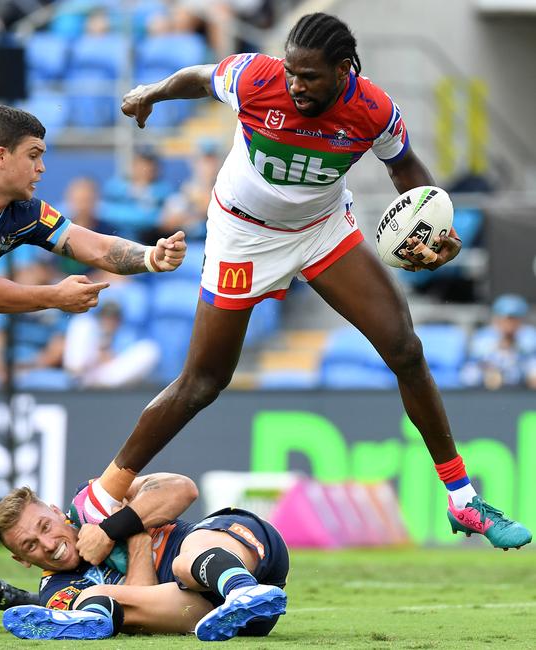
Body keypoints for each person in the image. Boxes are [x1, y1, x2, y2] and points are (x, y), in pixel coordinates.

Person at [92, 12, 532, 551]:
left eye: (309, 76)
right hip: (242, 235)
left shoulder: (373, 109)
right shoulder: (257, 77)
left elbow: (406, 168)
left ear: (344, 69)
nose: (295, 85)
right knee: (203, 382)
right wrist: (150, 94)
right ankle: (102, 495)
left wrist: (437, 223)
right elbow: (199, 76)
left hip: (321, 229)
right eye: (292, 73)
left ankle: (462, 500)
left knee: (406, 349)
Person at [0, 104, 187, 618]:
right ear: (0, 157)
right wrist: (54, 296)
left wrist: (149, 257)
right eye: (34, 155)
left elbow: (87, 242)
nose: (42, 167)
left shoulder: (20, 212)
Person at [0, 470, 288, 641]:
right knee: (96, 595)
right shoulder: (55, 591)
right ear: (22, 560)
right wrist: (137, 539)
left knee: (184, 563)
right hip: (217, 618)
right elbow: (146, 599)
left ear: (57, 512)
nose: (47, 543)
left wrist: (111, 528)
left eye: (45, 526)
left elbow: (182, 490)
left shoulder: (91, 504)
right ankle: (89, 621)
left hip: (239, 547)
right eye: (30, 546)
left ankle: (242, 589)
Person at [461, 294, 536, 390]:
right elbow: (475, 363)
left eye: (514, 318)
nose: (510, 323)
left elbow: (530, 363)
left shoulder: (530, 335)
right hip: (485, 387)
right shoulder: (483, 337)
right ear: (497, 318)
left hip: (520, 385)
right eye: (507, 318)